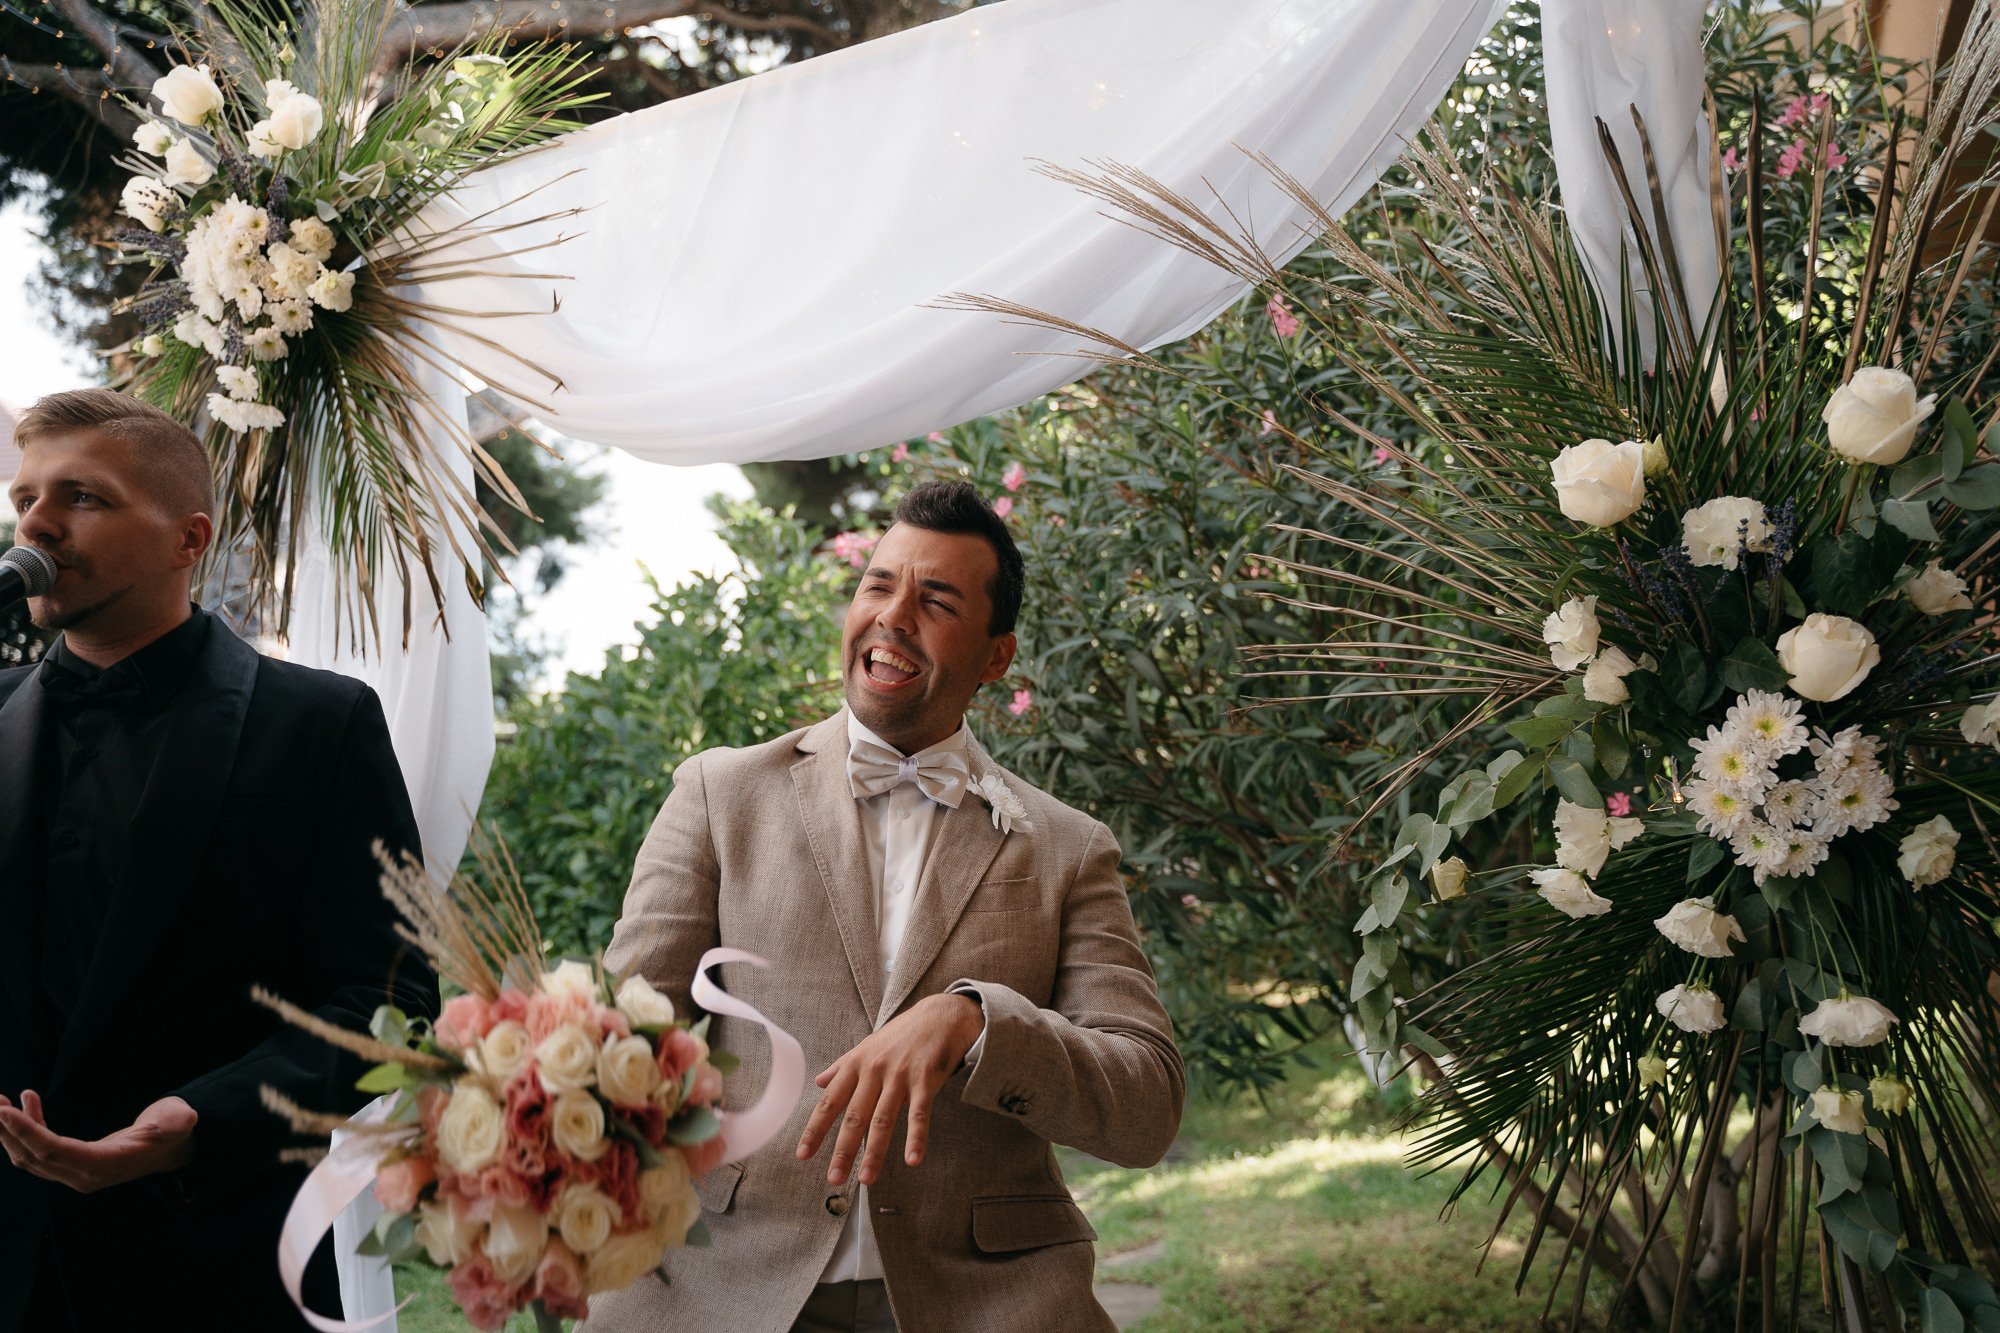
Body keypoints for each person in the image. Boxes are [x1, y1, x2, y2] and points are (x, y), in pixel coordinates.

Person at [591, 479, 1184, 1333]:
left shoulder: (1068, 846)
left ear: (996, 657)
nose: (894, 615)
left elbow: (1147, 1107)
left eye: (936, 599)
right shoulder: (721, 793)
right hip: (725, 1284)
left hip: (985, 1302)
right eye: (879, 583)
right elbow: (620, 1039)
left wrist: (977, 1025)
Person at [0, 388, 438, 1332]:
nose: (34, 521)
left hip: (216, 1267)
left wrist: (201, 1121)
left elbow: (387, 999)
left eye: (81, 496)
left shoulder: (321, 725)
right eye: (25, 495)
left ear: (187, 540)